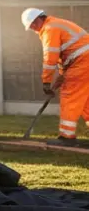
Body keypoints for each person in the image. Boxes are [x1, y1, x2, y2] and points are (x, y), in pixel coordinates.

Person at [22, 8, 89, 147]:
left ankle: (66, 137)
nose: (34, 29)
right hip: (82, 62)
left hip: (82, 63)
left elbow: (50, 58)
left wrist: (46, 82)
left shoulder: (49, 29)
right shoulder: (56, 24)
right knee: (85, 101)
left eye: (33, 25)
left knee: (69, 97)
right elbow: (68, 55)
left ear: (38, 19)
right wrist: (61, 76)